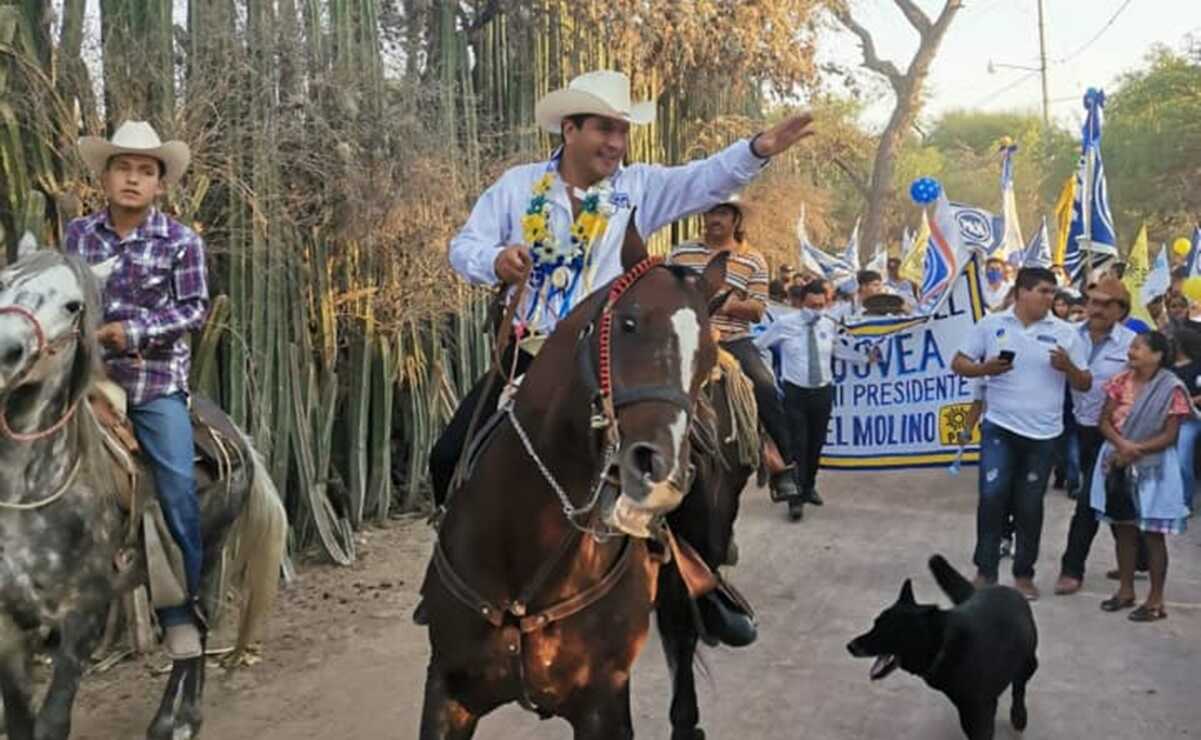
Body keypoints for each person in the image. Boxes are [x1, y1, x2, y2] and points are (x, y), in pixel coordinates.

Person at [430, 70, 815, 505]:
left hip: (614, 359)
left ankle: (699, 544)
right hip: (529, 356)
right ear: (569, 129)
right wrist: (494, 261)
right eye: (604, 128)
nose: (616, 143)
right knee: (446, 457)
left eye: (622, 131)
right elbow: (464, 247)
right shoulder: (518, 186)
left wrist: (757, 149)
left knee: (683, 478)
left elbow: (704, 179)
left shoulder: (638, 187)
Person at [66, 121, 208, 659]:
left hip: (153, 380)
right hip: (85, 377)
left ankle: (181, 609)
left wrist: (134, 332)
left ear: (159, 185)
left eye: (144, 171)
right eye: (122, 168)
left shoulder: (181, 242)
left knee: (176, 486)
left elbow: (193, 310)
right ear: (104, 178)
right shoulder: (78, 235)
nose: (132, 179)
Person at [952, 266, 1091, 600]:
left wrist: (1068, 368)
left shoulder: (1065, 333)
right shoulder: (991, 325)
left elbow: (1085, 383)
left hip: (1044, 435)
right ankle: (985, 572)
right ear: (1021, 292)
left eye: (1052, 292)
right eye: (1043, 291)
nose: (1050, 298)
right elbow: (958, 363)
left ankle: (1024, 575)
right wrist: (984, 369)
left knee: (1029, 505)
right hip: (1000, 427)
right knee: (992, 498)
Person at [668, 197, 801, 501]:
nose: (714, 218)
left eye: (722, 213)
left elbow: (757, 310)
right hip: (684, 337)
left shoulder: (753, 259)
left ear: (735, 219)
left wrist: (728, 305)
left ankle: (784, 467)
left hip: (732, 338)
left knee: (765, 386)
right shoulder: (680, 253)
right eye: (710, 212)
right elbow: (668, 295)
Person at [1093, 331, 1192, 622]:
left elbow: (1170, 436)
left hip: (1154, 468)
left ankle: (1155, 600)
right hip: (1118, 460)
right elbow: (1104, 420)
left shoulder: (1172, 388)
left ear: (1158, 355)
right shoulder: (1120, 381)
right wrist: (1122, 445)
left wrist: (1135, 449)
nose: (1131, 352)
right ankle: (1125, 590)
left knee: (1153, 535)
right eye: (1131, 347)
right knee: (1123, 528)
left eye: (1138, 347)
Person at [754, 280, 874, 521]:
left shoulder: (828, 324)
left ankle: (809, 487)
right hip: (795, 392)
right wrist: (768, 373)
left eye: (820, 305)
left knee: (816, 444)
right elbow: (759, 346)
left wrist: (865, 358)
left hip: (822, 392)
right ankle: (795, 500)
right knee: (798, 445)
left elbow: (838, 350)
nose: (816, 310)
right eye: (811, 305)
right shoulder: (785, 324)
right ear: (801, 303)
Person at [1052, 278, 1140, 596]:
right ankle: (1140, 558)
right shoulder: (1068, 335)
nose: (1097, 309)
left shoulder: (1132, 343)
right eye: (1093, 302)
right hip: (1078, 427)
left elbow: (1143, 385)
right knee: (1112, 496)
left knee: (1088, 501)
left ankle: (1071, 569)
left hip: (1114, 432)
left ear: (1121, 310)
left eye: (1106, 304)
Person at [1169, 327, 1201, 514]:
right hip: (1169, 419)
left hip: (1192, 419)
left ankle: (1185, 501)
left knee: (1183, 460)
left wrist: (1188, 402)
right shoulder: (1167, 368)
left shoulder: (1198, 365)